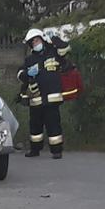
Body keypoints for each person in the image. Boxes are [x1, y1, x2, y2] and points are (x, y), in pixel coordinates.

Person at [24, 28, 66, 159]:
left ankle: (56, 151)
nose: (35, 44)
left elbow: (65, 48)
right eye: (33, 43)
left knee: (53, 125)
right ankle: (35, 150)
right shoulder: (30, 60)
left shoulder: (54, 53)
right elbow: (21, 74)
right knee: (35, 127)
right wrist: (27, 74)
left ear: (43, 39)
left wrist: (54, 39)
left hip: (52, 99)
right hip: (36, 99)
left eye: (37, 40)